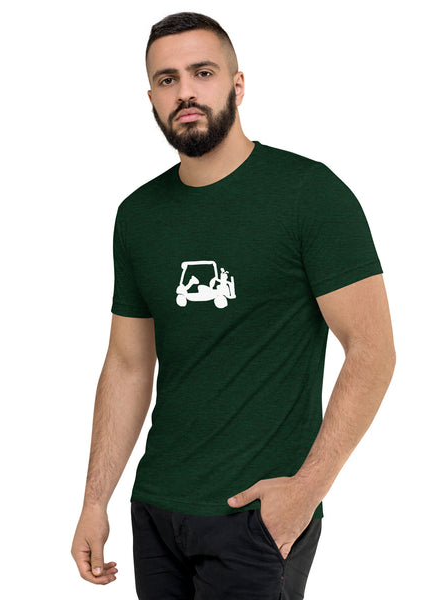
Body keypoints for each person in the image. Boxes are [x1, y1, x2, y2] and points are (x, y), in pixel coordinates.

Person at [71, 11, 396, 599]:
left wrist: (306, 493)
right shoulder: (138, 216)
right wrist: (95, 502)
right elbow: (127, 364)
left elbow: (373, 351)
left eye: (203, 72)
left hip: (257, 516)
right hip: (157, 509)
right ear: (151, 97)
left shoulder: (309, 193)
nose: (185, 92)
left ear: (237, 85)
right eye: (167, 79)